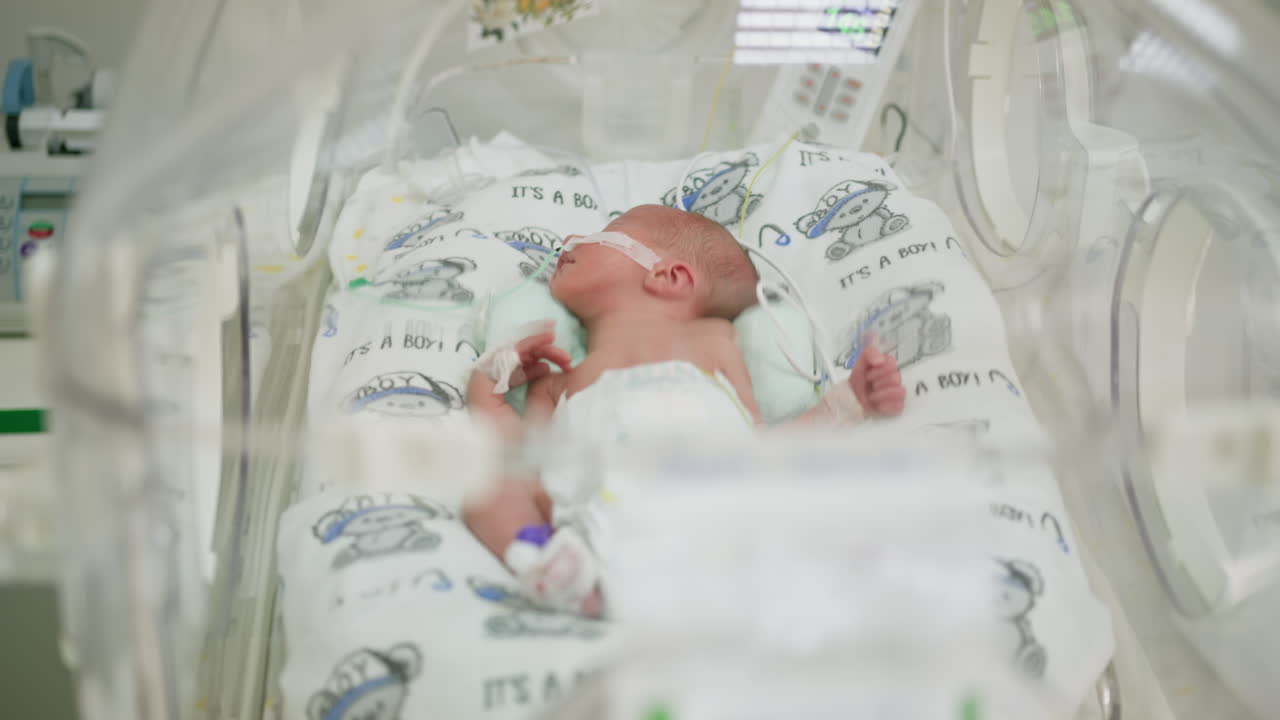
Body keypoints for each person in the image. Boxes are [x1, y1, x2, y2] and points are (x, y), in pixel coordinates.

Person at [463, 204, 906, 615]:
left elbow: (759, 447)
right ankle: (552, 567)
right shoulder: (557, 381)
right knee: (484, 487)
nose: (572, 239)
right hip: (596, 526)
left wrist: (849, 402)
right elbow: (527, 461)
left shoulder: (711, 342)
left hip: (713, 507)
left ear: (669, 277)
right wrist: (488, 388)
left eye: (604, 234)